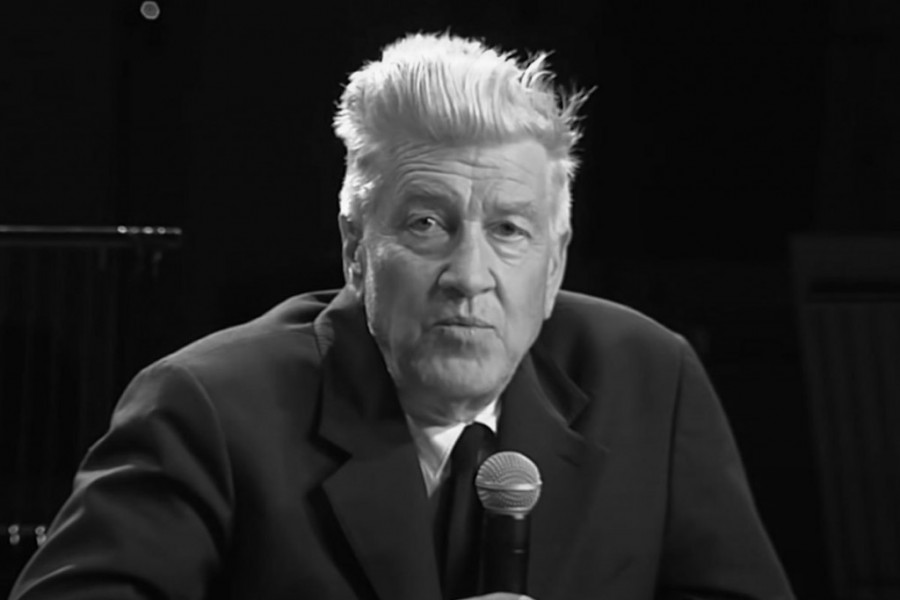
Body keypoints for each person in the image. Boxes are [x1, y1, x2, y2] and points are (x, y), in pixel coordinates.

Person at [9, 32, 795, 600]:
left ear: (554, 264)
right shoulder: (207, 408)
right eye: (426, 224)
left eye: (509, 230)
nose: (470, 278)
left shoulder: (650, 378)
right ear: (356, 248)